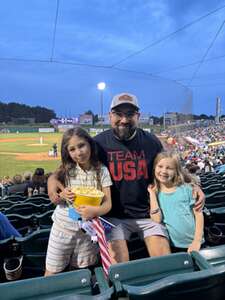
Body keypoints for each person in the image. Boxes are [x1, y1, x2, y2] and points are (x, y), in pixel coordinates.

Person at [48, 92, 205, 263]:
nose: (124, 119)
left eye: (130, 114)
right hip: (112, 217)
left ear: (138, 116)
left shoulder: (151, 141)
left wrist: (194, 185)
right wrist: (52, 182)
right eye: (118, 114)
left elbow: (171, 167)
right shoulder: (98, 143)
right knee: (119, 269)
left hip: (148, 215)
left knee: (166, 263)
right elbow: (64, 169)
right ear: (110, 116)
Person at [45, 127, 112, 276]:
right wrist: (62, 194)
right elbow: (56, 189)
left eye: (81, 145)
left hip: (87, 233)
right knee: (51, 272)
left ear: (89, 144)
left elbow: (108, 204)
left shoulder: (102, 171)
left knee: (82, 274)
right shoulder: (66, 169)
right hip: (62, 229)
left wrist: (95, 211)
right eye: (72, 149)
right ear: (67, 152)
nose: (79, 152)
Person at [148, 152, 204, 253]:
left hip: (195, 244)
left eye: (169, 168)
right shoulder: (155, 193)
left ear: (176, 171)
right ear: (154, 168)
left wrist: (197, 241)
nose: (164, 171)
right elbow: (156, 219)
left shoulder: (187, 189)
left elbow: (198, 214)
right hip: (173, 246)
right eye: (160, 166)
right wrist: (152, 194)